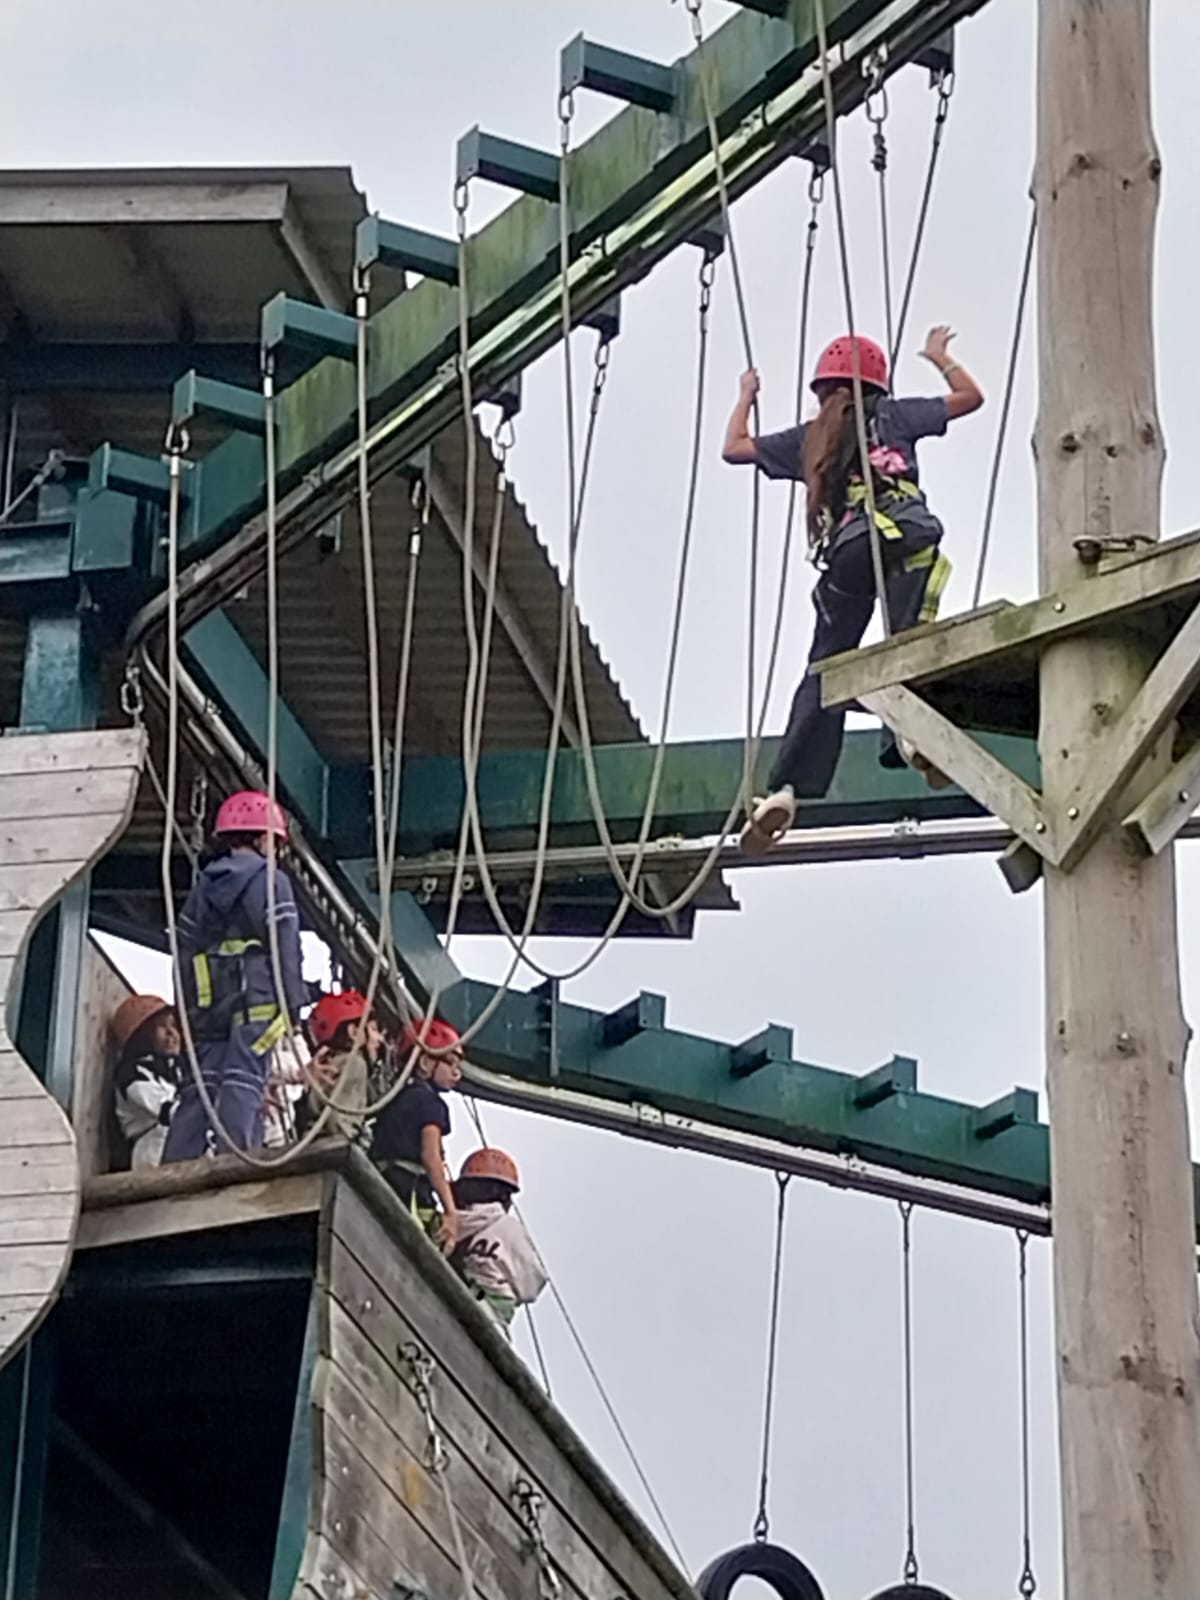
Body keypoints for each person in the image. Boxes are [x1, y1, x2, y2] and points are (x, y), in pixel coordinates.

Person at [723, 326, 985, 853]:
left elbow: (735, 449)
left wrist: (746, 395)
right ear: (879, 383)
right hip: (907, 538)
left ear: (823, 387)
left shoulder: (812, 435)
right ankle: (911, 735)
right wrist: (940, 357)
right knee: (907, 643)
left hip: (850, 552)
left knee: (826, 667)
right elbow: (970, 398)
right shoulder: (896, 416)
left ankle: (786, 789)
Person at [163, 789, 307, 1161]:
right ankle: (239, 1160)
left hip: (207, 1001)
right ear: (262, 838)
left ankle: (177, 1161)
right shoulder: (271, 881)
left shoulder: (205, 885)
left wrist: (184, 1009)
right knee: (244, 1078)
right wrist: (294, 1005)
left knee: (202, 1083)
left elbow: (184, 949)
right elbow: (285, 943)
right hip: (256, 998)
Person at [370, 1017, 463, 1253]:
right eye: (450, 1062)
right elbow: (431, 1157)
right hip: (407, 1189)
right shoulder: (431, 1104)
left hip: (381, 1180)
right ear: (424, 1062)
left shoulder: (396, 1096)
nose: (457, 1073)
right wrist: (450, 1210)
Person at [449, 1147, 547, 1336]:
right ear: (501, 1194)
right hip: (490, 1317)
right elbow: (532, 1285)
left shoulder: (448, 1222)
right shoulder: (508, 1228)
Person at [294, 988, 381, 1143]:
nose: (379, 1039)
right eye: (374, 1029)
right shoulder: (355, 1064)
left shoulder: (327, 1063)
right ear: (354, 1032)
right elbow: (339, 1124)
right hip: (331, 1152)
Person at [108, 993, 182, 1170]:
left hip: (179, 1148)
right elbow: (167, 1111)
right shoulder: (131, 1073)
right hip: (152, 1153)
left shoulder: (177, 1071)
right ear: (142, 1035)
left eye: (173, 1025)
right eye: (162, 1026)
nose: (171, 1032)